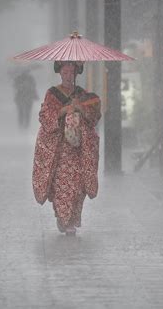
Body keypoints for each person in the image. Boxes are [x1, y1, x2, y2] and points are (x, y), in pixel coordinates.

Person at [32, 61, 101, 236]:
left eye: (72, 72)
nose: (69, 75)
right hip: (60, 149)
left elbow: (94, 117)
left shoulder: (83, 95)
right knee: (63, 184)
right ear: (60, 73)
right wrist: (63, 111)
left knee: (77, 185)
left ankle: (71, 219)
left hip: (78, 149)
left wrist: (81, 109)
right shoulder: (52, 94)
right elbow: (46, 116)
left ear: (77, 73)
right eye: (66, 71)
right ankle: (63, 218)